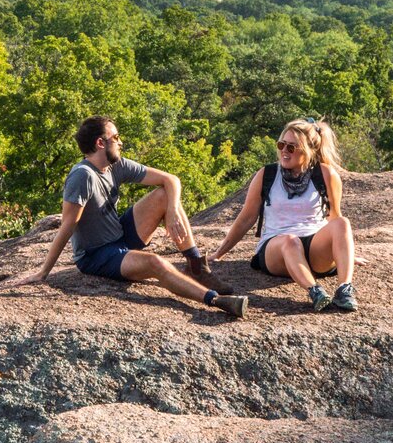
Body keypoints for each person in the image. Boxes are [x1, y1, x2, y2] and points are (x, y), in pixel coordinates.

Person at [38, 115, 248, 318]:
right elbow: (67, 225)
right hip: (97, 255)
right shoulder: (82, 175)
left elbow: (171, 179)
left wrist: (173, 210)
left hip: (120, 236)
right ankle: (215, 300)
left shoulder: (115, 165)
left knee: (164, 195)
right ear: (100, 143)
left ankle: (197, 267)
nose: (121, 142)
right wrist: (43, 273)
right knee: (155, 262)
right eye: (116, 137)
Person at [208, 118, 359, 311]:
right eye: (282, 145)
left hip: (314, 247)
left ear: (308, 150)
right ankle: (315, 292)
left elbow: (334, 217)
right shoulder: (267, 174)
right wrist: (218, 253)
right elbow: (246, 218)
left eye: (292, 148)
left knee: (343, 223)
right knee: (290, 241)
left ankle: (344, 289)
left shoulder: (325, 174)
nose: (284, 152)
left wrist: (344, 253)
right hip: (276, 248)